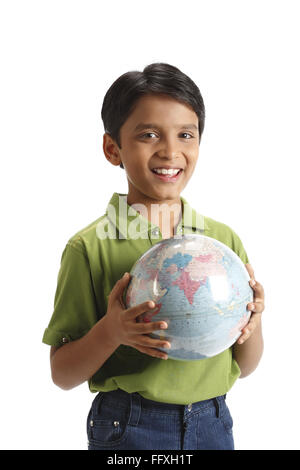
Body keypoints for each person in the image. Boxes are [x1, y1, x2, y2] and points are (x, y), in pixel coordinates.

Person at [42, 63, 265, 450]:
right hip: (129, 424)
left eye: (185, 135)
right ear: (114, 148)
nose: (170, 151)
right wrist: (111, 332)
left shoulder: (222, 242)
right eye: (148, 134)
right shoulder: (89, 247)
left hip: (213, 422)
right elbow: (62, 374)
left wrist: (252, 323)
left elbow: (244, 367)